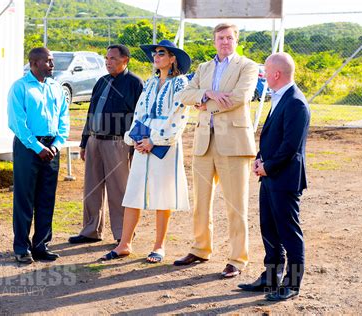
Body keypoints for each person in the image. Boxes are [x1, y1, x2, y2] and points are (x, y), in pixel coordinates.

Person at [173, 23, 258, 278]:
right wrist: (207, 93)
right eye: (220, 38)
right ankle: (200, 249)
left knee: (235, 205)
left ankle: (237, 259)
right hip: (203, 142)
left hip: (233, 143)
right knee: (200, 203)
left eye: (229, 38)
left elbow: (240, 97)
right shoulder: (204, 68)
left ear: (236, 40)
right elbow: (184, 95)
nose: (224, 42)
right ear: (214, 41)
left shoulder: (247, 66)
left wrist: (204, 102)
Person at [99, 40, 192, 263]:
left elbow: (178, 116)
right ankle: (124, 244)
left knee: (162, 195)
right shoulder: (150, 83)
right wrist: (136, 138)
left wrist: (155, 140)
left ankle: (159, 246)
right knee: (134, 192)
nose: (156, 56)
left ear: (172, 59)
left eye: (162, 53)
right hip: (143, 142)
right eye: (155, 53)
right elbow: (140, 112)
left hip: (165, 144)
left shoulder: (180, 84)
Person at [238, 52, 310, 301]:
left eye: (265, 71)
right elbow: (272, 138)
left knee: (289, 232)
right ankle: (271, 277)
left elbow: (291, 146)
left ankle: (293, 283)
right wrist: (260, 159)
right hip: (269, 175)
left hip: (284, 178)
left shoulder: (296, 102)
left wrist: (268, 166)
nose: (263, 75)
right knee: (269, 228)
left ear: (276, 74)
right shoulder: (280, 97)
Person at [68, 44, 143, 245]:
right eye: (107, 59)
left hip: (118, 143)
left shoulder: (135, 83)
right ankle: (91, 231)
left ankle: (122, 234)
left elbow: (140, 117)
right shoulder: (101, 81)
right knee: (91, 188)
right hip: (94, 141)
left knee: (119, 189)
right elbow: (91, 112)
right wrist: (84, 142)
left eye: (113, 59)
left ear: (125, 60)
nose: (108, 62)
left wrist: (135, 146)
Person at [7, 47, 70, 264]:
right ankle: (21, 248)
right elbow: (17, 123)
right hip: (28, 148)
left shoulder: (55, 87)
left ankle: (41, 246)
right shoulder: (20, 87)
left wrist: (57, 144)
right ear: (34, 63)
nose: (52, 65)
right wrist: (36, 147)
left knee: (46, 198)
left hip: (51, 147)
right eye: (48, 61)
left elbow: (64, 118)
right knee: (25, 198)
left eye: (52, 61)